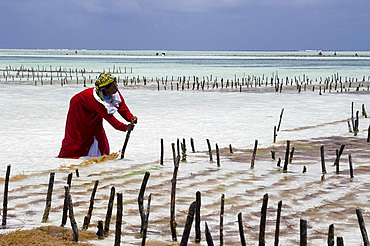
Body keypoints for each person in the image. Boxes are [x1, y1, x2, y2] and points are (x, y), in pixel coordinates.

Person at [58, 72, 137, 158]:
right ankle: (69, 158)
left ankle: (97, 155)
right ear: (106, 89)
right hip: (78, 108)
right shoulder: (96, 100)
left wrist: (130, 117)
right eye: (114, 86)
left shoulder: (114, 92)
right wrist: (125, 127)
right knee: (77, 136)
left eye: (116, 84)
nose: (116, 87)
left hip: (92, 110)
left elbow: (121, 106)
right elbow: (111, 119)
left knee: (99, 135)